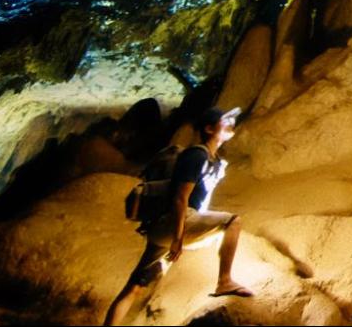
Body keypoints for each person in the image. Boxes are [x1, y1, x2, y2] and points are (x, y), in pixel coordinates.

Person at [101, 105, 254, 325]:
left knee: (135, 287)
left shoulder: (215, 160)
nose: (231, 123)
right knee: (233, 221)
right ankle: (224, 281)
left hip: (166, 227)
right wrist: (178, 237)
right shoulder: (196, 156)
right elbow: (180, 198)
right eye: (224, 120)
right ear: (210, 129)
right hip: (173, 222)